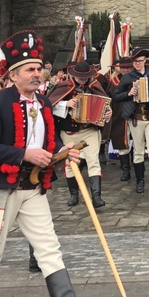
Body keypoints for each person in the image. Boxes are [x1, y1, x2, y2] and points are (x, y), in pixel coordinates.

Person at [0, 30, 104, 297]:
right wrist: (25, 153)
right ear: (13, 75)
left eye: (39, 68)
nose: (38, 73)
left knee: (49, 247)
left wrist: (62, 155)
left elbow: (47, 145)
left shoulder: (43, 101)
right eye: (30, 69)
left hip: (33, 188)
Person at [49, 61, 113, 208]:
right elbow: (49, 105)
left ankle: (96, 197)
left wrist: (107, 113)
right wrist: (65, 104)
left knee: (93, 161)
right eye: (80, 78)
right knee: (71, 164)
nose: (83, 80)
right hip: (69, 132)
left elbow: (105, 106)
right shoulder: (63, 86)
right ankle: (74, 195)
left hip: (90, 130)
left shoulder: (95, 86)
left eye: (85, 77)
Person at [111, 48, 149, 195]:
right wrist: (128, 93)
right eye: (135, 62)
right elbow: (115, 96)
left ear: (145, 61)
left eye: (140, 61)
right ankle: (140, 182)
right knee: (138, 151)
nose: (137, 64)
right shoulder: (127, 78)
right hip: (136, 118)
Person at [106, 57, 134, 181]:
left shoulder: (137, 80)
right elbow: (109, 98)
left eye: (128, 67)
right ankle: (125, 169)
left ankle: (137, 166)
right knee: (122, 143)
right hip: (119, 116)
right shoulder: (114, 81)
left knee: (137, 141)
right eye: (123, 67)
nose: (125, 70)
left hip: (135, 115)